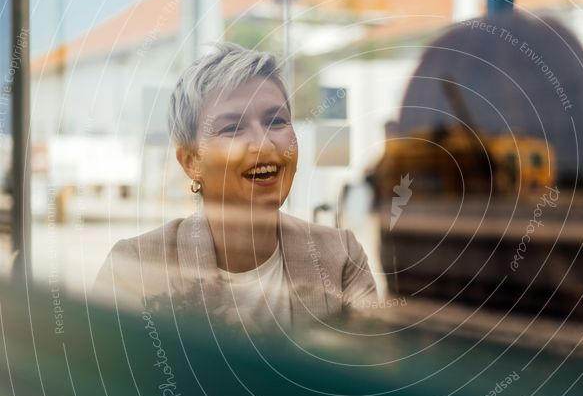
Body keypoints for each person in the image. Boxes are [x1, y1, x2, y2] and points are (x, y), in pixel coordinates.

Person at [94, 43, 377, 329]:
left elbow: (368, 364)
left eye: (276, 121)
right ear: (192, 162)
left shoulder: (341, 256)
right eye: (232, 128)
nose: (264, 144)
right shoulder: (134, 267)